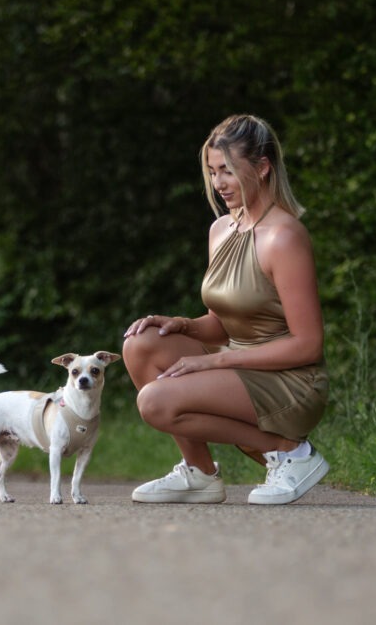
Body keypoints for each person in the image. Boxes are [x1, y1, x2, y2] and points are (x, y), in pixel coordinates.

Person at [123, 114, 330, 505]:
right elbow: (223, 325)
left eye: (229, 171)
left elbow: (308, 345)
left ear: (263, 168)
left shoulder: (284, 237)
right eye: (213, 171)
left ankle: (292, 452)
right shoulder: (221, 230)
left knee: (155, 401)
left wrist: (210, 364)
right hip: (238, 363)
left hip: (291, 380)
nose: (219, 183)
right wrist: (182, 325)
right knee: (141, 343)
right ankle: (200, 474)